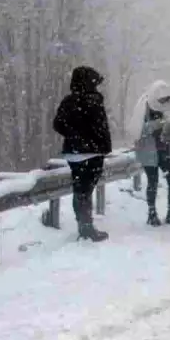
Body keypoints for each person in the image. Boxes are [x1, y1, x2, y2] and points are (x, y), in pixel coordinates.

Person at [52, 66, 112, 242]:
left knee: (80, 190)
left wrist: (74, 135)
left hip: (73, 153)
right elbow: (101, 128)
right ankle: (86, 228)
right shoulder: (94, 100)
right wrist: (99, 144)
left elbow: (58, 124)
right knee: (86, 190)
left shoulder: (68, 101)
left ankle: (83, 225)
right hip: (92, 152)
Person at [131, 80, 170, 226]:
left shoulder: (168, 106)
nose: (164, 101)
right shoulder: (144, 106)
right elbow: (138, 129)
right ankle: (152, 213)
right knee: (152, 181)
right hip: (149, 149)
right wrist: (159, 123)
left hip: (166, 148)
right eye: (162, 99)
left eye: (166, 99)